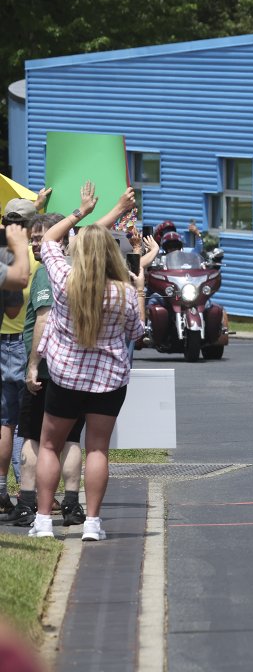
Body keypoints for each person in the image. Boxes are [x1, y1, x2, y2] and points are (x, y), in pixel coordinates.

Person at [28, 183, 145, 540]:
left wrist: (82, 212)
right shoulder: (123, 291)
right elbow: (137, 332)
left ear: (78, 250)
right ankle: (92, 523)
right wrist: (139, 291)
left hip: (65, 376)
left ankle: (44, 521)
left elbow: (49, 238)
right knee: (97, 448)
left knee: (50, 445)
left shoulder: (63, 279)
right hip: (108, 380)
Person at [4, 214, 84, 528]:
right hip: (73, 370)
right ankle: (72, 505)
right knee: (72, 439)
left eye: (41, 236)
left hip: (47, 371)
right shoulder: (81, 271)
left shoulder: (48, 272)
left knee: (34, 438)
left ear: (59, 239)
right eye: (34, 237)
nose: (36, 242)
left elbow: (43, 319)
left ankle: (26, 502)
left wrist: (33, 365)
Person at [0, 198, 36, 514]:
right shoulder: (32, 258)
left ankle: (2, 492)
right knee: (24, 425)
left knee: (4, 423)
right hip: (24, 345)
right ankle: (27, 496)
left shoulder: (2, 257)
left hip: (2, 341)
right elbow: (15, 305)